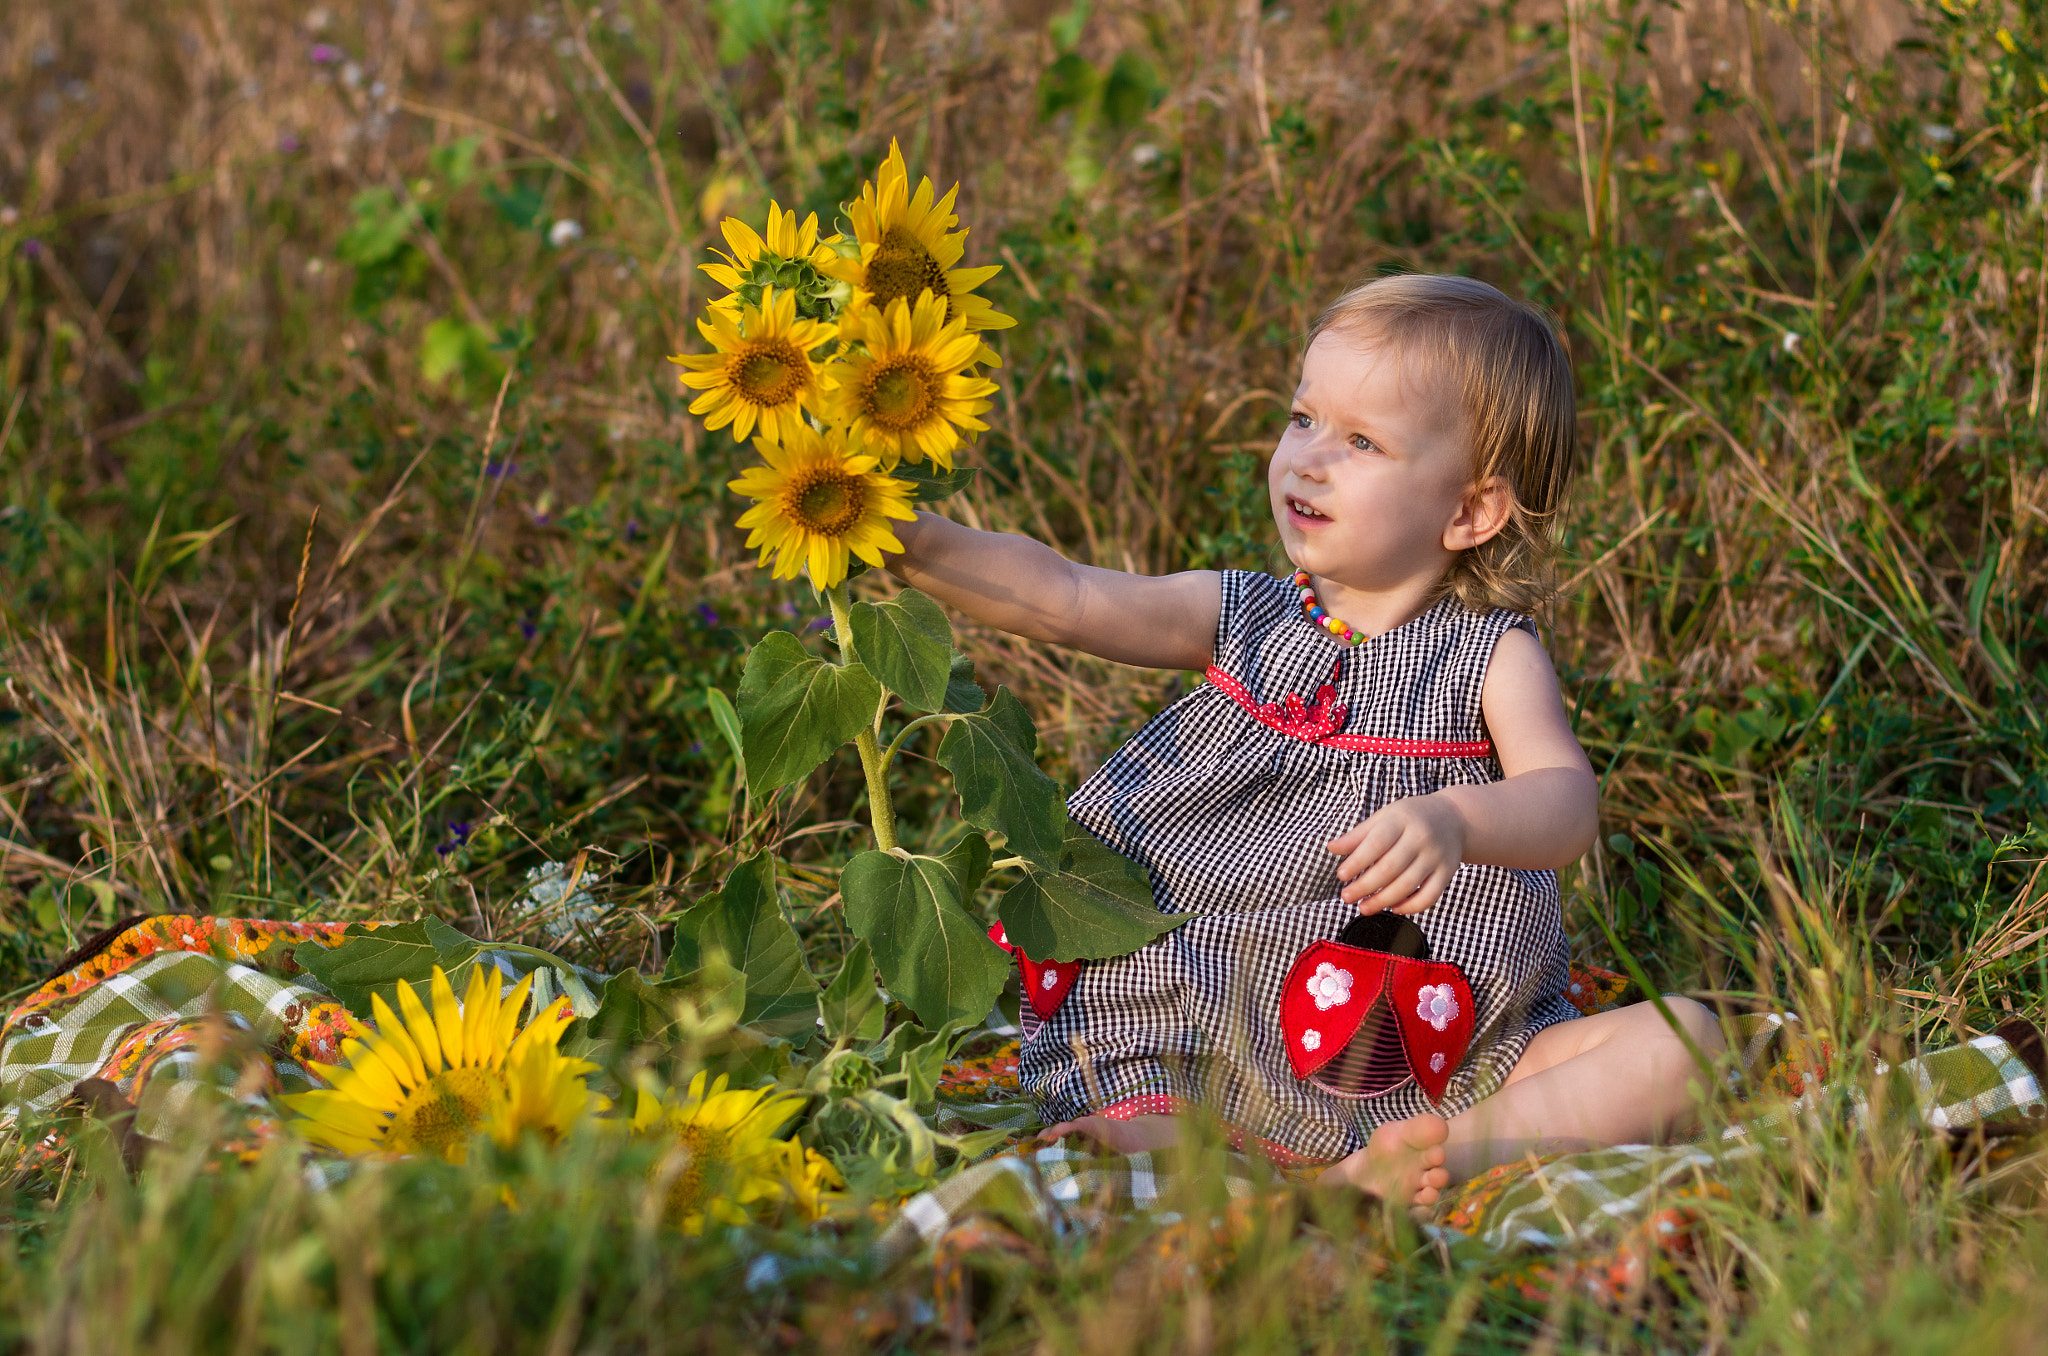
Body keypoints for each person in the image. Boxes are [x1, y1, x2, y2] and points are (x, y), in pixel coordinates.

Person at [883, 273, 1725, 1205]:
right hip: (1201, 1026)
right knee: (1124, 1140)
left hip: (1462, 1047)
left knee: (1689, 1041)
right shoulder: (1245, 615)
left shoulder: (1491, 654)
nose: (1308, 461)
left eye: (1362, 441)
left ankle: (1435, 1155)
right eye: (1302, 419)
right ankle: (1219, 1163)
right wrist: (905, 537)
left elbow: (1565, 799)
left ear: (1469, 512)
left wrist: (1458, 818)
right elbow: (1070, 597)